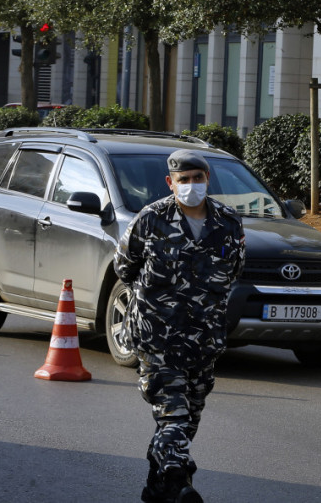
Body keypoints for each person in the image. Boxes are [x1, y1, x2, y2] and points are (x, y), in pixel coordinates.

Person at [114, 149, 245, 502]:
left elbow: (233, 270)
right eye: (183, 180)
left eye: (197, 179)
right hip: (158, 338)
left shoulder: (229, 223)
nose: (191, 186)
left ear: (208, 180)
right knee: (173, 415)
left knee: (189, 418)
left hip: (203, 341)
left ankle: (156, 484)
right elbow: (124, 267)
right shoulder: (150, 219)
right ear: (170, 184)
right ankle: (177, 484)